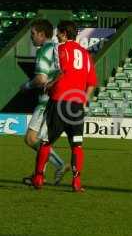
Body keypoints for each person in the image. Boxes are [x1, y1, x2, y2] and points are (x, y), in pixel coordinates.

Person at [31, 20, 97, 192]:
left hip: (59, 100)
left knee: (45, 141)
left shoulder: (59, 48)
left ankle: (38, 177)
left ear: (64, 34)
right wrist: (83, 100)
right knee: (77, 145)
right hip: (76, 104)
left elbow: (62, 71)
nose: (57, 36)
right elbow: (91, 83)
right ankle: (76, 182)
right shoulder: (85, 54)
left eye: (58, 33)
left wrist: (49, 84)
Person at [21, 19, 67, 186]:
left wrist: (26, 85)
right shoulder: (58, 49)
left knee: (31, 139)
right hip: (59, 99)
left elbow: (41, 79)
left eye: (33, 34)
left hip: (46, 101)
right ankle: (38, 175)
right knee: (43, 141)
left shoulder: (43, 51)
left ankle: (60, 164)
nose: (32, 38)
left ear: (41, 34)